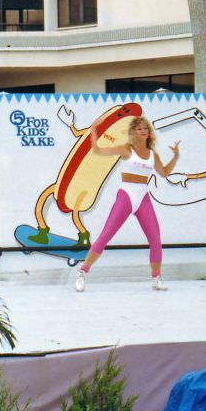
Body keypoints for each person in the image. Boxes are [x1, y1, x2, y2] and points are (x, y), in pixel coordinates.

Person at [75, 116, 179, 292]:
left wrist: (176, 156)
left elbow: (164, 173)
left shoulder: (153, 155)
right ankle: (82, 271)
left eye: (145, 128)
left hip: (142, 197)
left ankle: (156, 277)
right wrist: (93, 130)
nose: (143, 130)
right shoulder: (126, 150)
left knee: (155, 239)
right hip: (126, 195)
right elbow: (97, 150)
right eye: (139, 128)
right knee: (106, 235)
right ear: (132, 133)